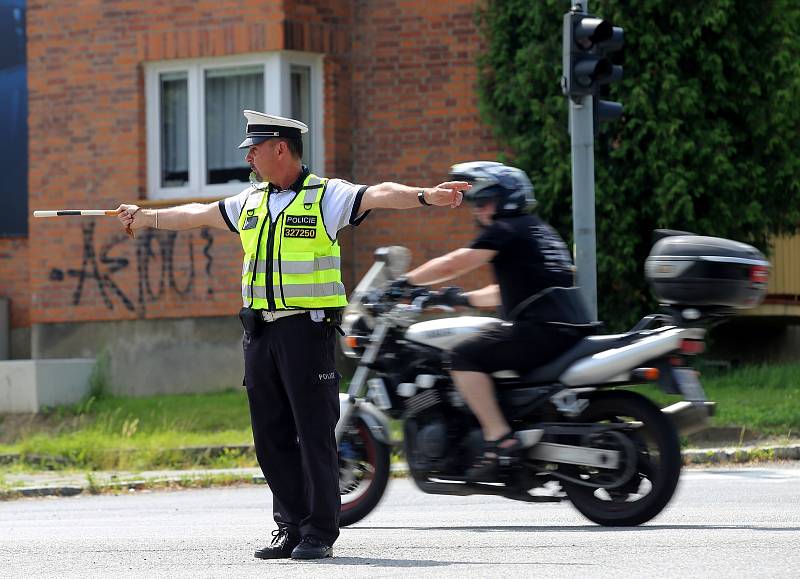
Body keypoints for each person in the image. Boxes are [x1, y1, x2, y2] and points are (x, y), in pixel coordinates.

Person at [115, 110, 469, 560]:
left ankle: (320, 531)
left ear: (280, 147)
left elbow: (379, 194)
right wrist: (147, 218)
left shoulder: (327, 196)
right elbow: (201, 214)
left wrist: (425, 196)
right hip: (259, 333)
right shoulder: (252, 201)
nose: (250, 159)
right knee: (270, 436)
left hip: (307, 331)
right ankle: (289, 525)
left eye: (255, 150)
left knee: (314, 434)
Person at [395, 161, 592, 482]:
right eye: (475, 203)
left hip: (541, 329)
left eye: (484, 202)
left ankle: (499, 438)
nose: (478, 210)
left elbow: (455, 263)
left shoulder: (506, 229)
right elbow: (505, 293)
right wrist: (456, 299)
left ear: (506, 199)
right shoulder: (538, 230)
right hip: (563, 326)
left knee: (461, 356)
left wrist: (404, 283)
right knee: (488, 342)